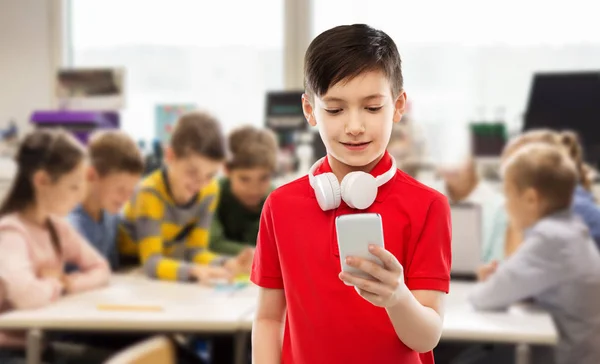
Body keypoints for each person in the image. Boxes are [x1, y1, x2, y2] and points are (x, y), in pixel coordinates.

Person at [251, 24, 452, 364]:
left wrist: (396, 297)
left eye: (372, 108)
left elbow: (426, 337)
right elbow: (269, 318)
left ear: (399, 105)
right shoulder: (280, 206)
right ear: (310, 110)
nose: (355, 126)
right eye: (335, 109)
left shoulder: (428, 206)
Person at [469, 143, 600, 364]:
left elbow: (484, 298)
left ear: (531, 198)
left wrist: (496, 283)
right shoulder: (571, 229)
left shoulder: (550, 238)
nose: (505, 206)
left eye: (508, 195)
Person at [0, 129, 111, 364]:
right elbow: (26, 297)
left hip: (40, 344)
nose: (80, 196)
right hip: (9, 351)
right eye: (73, 187)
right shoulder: (10, 232)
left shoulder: (57, 228)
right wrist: (57, 283)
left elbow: (101, 267)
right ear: (42, 181)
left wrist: (69, 283)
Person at [118, 111, 252, 283]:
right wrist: (195, 271)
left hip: (163, 271)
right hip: (126, 270)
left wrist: (228, 263)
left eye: (210, 175)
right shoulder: (149, 192)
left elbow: (195, 252)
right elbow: (151, 263)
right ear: (170, 156)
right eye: (192, 172)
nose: (200, 183)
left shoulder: (209, 190)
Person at [68, 130, 144, 270]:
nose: (126, 199)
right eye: (120, 190)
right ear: (91, 175)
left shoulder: (111, 215)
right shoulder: (70, 226)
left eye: (131, 192)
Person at [210, 125, 278, 255]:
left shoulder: (276, 201)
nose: (254, 189)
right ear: (227, 170)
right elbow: (213, 243)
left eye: (263, 178)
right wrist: (257, 254)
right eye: (244, 179)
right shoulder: (212, 194)